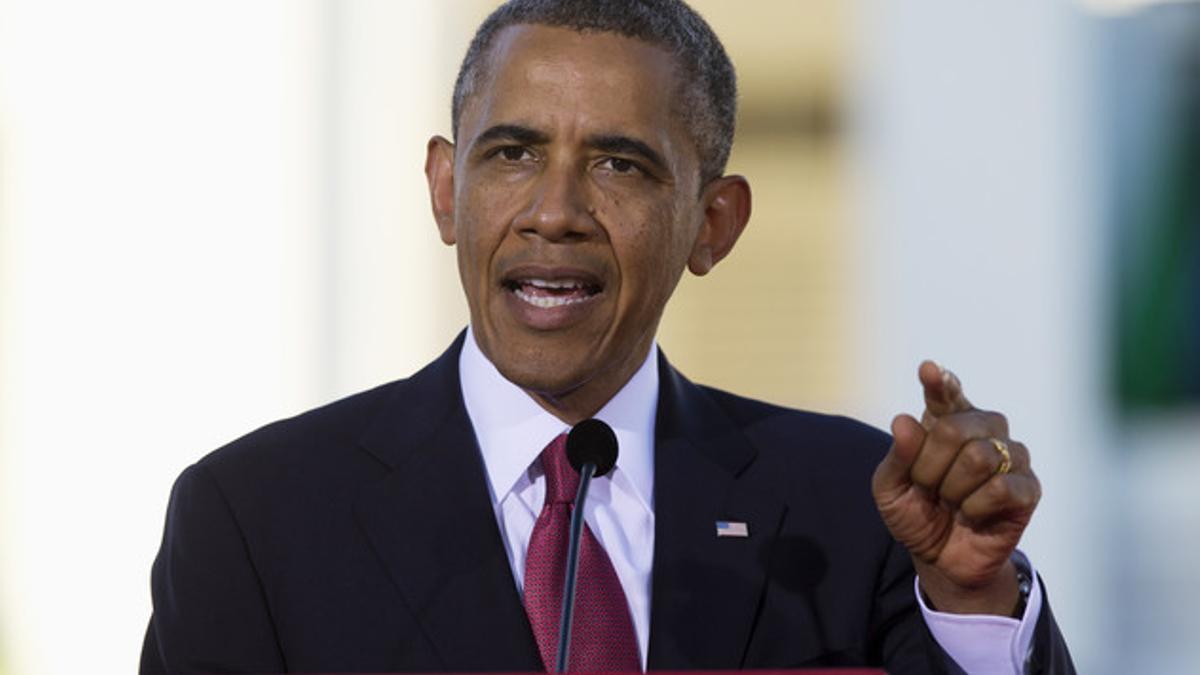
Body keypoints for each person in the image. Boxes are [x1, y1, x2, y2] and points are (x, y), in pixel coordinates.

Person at [140, 1, 1075, 673]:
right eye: (511, 154)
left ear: (715, 223)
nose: (556, 212)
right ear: (443, 189)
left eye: (619, 165)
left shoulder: (851, 508)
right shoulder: (255, 519)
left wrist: (969, 605)